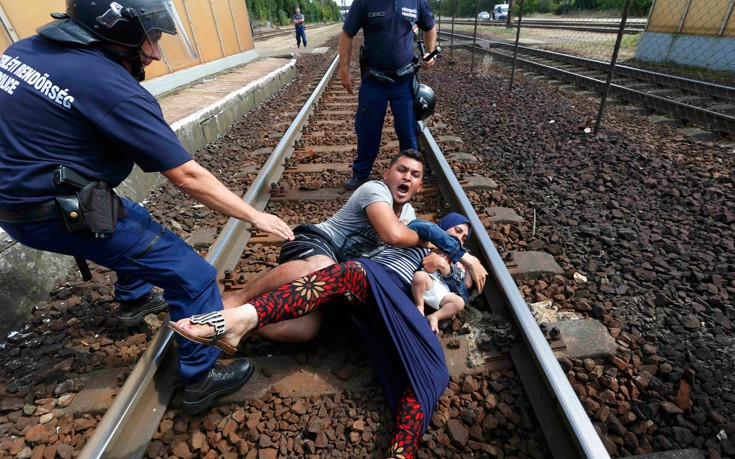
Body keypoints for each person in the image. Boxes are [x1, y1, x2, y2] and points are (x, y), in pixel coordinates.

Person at [0, 0, 294, 414]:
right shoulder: (111, 88)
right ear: (116, 31)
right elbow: (188, 176)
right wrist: (254, 215)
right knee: (192, 276)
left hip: (15, 202)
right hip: (56, 213)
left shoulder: (23, 51)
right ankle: (201, 377)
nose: (155, 53)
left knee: (129, 219)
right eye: (150, 38)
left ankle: (135, 298)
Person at [170, 214, 485, 457]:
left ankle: (401, 452)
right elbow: (427, 231)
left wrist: (452, 271)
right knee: (351, 272)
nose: (459, 237)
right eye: (455, 229)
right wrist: (460, 253)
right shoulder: (418, 234)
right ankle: (243, 318)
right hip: (374, 286)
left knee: (436, 375)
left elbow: (459, 298)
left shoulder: (453, 270)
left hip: (403, 315)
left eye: (464, 237)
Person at [222, 150, 487, 342]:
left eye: (414, 175)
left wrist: (440, 264)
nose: (406, 176)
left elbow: (412, 260)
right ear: (387, 174)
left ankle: (240, 324)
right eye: (401, 170)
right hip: (317, 244)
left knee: (306, 329)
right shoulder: (375, 190)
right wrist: (461, 255)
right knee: (321, 268)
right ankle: (236, 299)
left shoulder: (410, 216)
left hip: (337, 274)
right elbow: (392, 236)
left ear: (418, 186)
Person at [339, 0, 438, 191]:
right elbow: (347, 33)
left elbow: (430, 27)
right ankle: (361, 174)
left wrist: (430, 54)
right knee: (367, 129)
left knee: (407, 130)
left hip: (404, 80)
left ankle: (411, 177)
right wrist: (344, 70)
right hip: (374, 80)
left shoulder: (416, 1)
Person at [411, 213, 473, 334]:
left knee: (459, 303)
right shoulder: (426, 240)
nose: (459, 238)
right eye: (458, 230)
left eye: (464, 238)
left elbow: (465, 289)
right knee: (420, 276)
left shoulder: (457, 259)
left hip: (440, 291)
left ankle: (435, 316)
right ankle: (420, 306)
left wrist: (469, 267)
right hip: (424, 282)